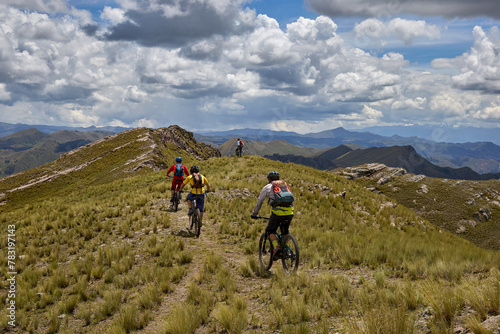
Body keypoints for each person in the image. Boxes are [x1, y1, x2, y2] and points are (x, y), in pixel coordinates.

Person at [251, 171, 294, 259]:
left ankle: (277, 247)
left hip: (277, 213)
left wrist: (254, 214)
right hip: (290, 212)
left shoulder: (267, 187)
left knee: (271, 231)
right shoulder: (284, 186)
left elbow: (260, 201)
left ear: (269, 179)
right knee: (285, 231)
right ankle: (284, 249)